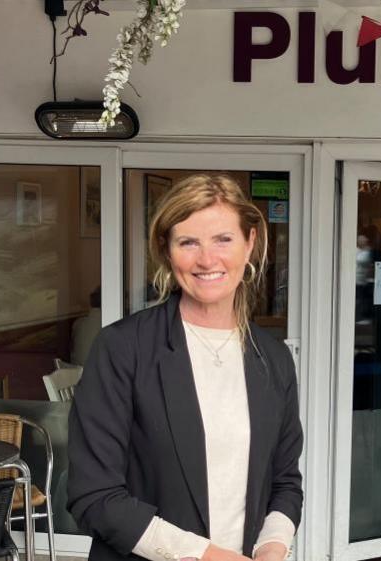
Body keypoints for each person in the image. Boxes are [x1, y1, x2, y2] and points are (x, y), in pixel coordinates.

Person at [67, 175, 303, 561]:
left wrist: (272, 548)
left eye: (223, 239)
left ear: (251, 243)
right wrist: (207, 555)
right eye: (188, 242)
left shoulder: (273, 358)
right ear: (166, 250)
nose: (207, 259)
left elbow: (285, 481)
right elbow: (94, 495)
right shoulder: (124, 348)